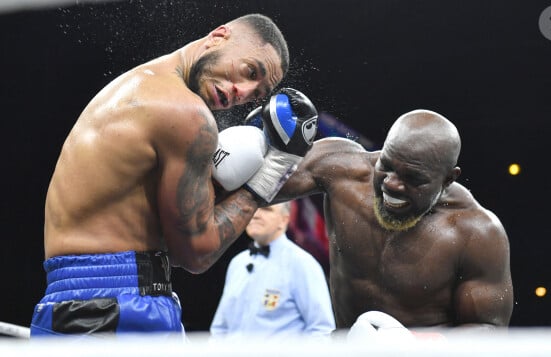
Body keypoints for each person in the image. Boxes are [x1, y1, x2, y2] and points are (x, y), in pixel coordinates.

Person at [31, 13, 319, 337]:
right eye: (250, 72)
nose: (244, 91)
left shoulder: (142, 85)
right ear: (218, 36)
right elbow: (196, 253)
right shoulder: (186, 115)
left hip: (73, 304)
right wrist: (271, 173)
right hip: (115, 308)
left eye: (255, 94)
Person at [273, 109, 514, 336]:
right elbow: (255, 186)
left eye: (413, 178)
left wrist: (414, 344)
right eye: (386, 166)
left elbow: (489, 331)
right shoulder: (341, 170)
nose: (392, 184)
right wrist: (258, 140)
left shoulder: (476, 232)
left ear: (448, 179)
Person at [210, 202, 336, 340]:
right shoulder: (237, 263)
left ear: (284, 220)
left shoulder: (302, 264)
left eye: (266, 209)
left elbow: (321, 330)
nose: (255, 215)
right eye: (253, 209)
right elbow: (219, 329)